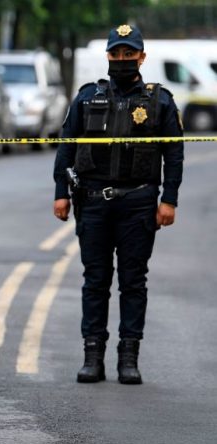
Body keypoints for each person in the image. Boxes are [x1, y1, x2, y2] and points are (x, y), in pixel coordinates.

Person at [53, 24, 183, 385]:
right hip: (92, 201)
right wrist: (60, 191)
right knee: (95, 280)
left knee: (133, 281)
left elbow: (174, 153)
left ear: (142, 57)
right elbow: (66, 146)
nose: (122, 60)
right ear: (108, 55)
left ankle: (129, 357)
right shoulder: (85, 97)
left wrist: (169, 199)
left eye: (129, 54)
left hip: (139, 202)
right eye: (117, 53)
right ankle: (92, 357)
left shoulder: (160, 101)